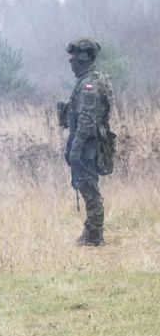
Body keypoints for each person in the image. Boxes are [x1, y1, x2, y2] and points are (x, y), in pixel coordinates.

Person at [58, 37, 115, 246]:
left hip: (87, 146)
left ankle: (93, 235)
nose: (70, 61)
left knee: (88, 188)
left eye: (73, 57)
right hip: (89, 144)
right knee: (89, 187)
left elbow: (87, 120)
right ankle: (92, 232)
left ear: (83, 58)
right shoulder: (92, 79)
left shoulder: (89, 84)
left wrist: (76, 149)